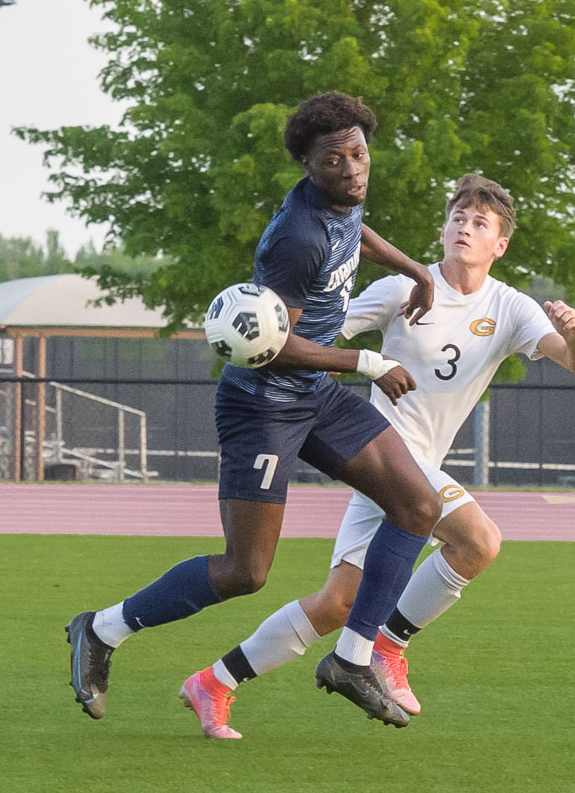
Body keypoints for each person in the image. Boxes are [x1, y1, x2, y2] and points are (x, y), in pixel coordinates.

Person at [65, 92, 444, 729]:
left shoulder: (341, 200)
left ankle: (351, 659)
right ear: (306, 165)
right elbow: (269, 349)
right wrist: (368, 363)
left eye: (359, 153)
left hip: (313, 395)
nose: (352, 168)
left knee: (418, 506)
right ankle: (100, 629)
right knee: (246, 572)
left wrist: (412, 269)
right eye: (334, 160)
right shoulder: (295, 238)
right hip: (263, 404)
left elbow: (354, 236)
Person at [177, 174, 575, 738]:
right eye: (458, 218)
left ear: (500, 244)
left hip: (412, 472)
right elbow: (314, 336)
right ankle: (387, 645)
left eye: (480, 224)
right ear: (444, 228)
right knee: (479, 539)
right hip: (383, 458)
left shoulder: (510, 306)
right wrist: (289, 346)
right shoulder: (404, 290)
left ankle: (213, 682)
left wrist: (573, 336)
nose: (464, 229)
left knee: (333, 605)